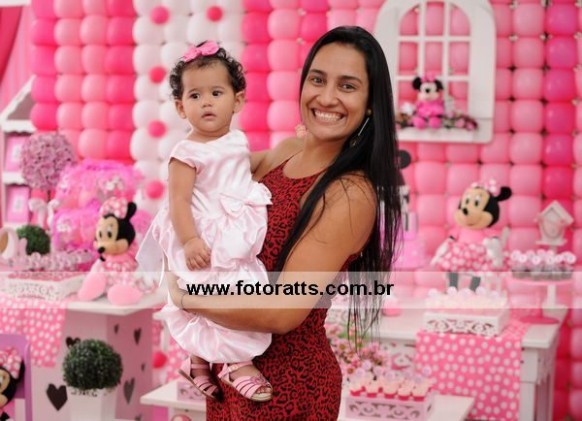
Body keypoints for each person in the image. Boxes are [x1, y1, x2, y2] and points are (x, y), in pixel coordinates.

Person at [165, 26, 402, 420]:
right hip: (231, 375)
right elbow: (211, 176)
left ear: (369, 104)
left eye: (347, 86)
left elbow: (282, 310)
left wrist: (186, 299)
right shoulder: (286, 153)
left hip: (287, 387)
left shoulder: (349, 194)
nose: (327, 97)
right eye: (317, 79)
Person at [138, 41, 274, 402]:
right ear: (181, 107)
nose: (207, 102)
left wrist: (299, 147)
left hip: (233, 233)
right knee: (210, 291)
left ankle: (200, 361)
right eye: (195, 96)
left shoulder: (238, 141)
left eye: (216, 93)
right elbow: (179, 201)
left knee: (240, 291)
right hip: (202, 234)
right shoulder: (186, 152)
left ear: (237, 100)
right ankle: (235, 363)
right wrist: (190, 240)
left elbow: (242, 169)